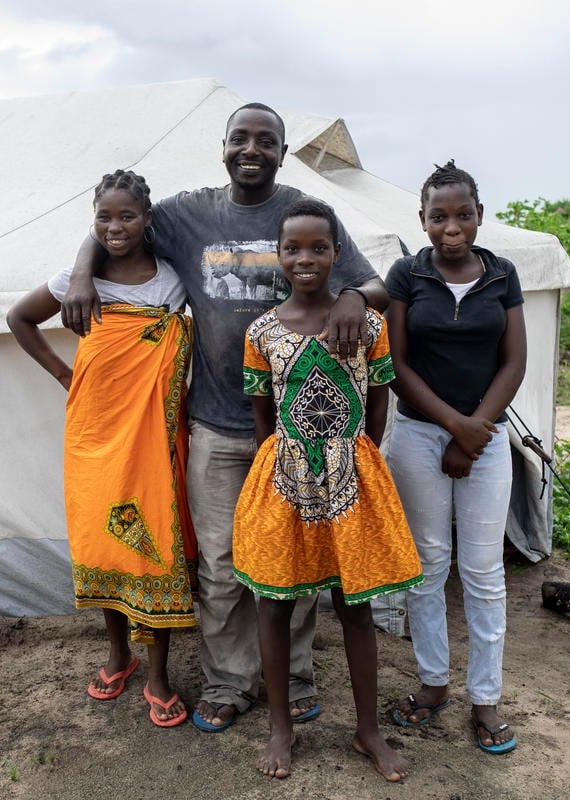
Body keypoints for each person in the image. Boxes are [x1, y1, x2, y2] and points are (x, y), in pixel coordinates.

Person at [59, 103, 388, 733]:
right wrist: (80, 273)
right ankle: (228, 681)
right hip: (214, 424)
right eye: (241, 138)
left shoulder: (302, 211)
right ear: (223, 146)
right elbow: (116, 226)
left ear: (283, 152)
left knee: (294, 558)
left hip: (299, 434)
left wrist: (351, 295)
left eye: (267, 141)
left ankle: (291, 678)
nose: (252, 149)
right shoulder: (188, 213)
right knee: (219, 561)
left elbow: (372, 283)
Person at [233, 198, 421, 781]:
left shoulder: (367, 324)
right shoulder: (261, 331)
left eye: (319, 248)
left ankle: (367, 730)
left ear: (338, 253)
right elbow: (264, 415)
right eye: (293, 248)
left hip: (352, 479)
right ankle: (281, 728)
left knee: (355, 605)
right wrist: (287, 462)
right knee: (274, 605)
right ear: (279, 256)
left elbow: (379, 403)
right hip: (284, 480)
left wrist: (353, 459)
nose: (306, 258)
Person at [6, 169, 195, 729]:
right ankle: (118, 653)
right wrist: (68, 377)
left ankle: (158, 674)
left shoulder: (173, 280)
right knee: (102, 543)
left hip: (154, 431)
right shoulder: (74, 280)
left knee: (153, 539)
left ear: (148, 219)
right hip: (93, 433)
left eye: (127, 216)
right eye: (104, 217)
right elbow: (20, 318)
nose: (115, 227)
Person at [384, 162, 527, 755]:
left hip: (486, 439)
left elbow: (513, 361)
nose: (451, 227)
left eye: (462, 214)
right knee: (429, 562)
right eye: (438, 216)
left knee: (484, 572)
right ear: (422, 220)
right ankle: (434, 684)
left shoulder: (503, 274)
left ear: (479, 215)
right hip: (419, 435)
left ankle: (486, 696)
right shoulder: (405, 275)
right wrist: (453, 428)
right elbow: (396, 365)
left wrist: (476, 434)